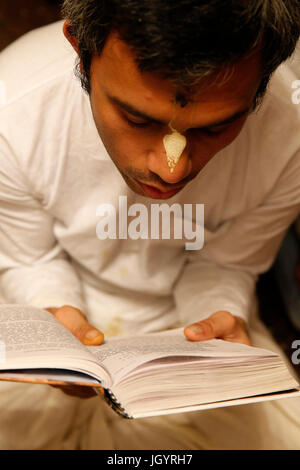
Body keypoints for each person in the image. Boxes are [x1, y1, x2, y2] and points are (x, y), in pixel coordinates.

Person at [0, 0, 300, 449]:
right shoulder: (12, 109)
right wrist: (53, 313)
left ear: (262, 79)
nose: (171, 170)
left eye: (214, 129)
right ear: (81, 49)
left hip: (198, 332)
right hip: (44, 318)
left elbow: (227, 263)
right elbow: (30, 258)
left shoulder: (290, 133)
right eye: (138, 120)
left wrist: (217, 313)